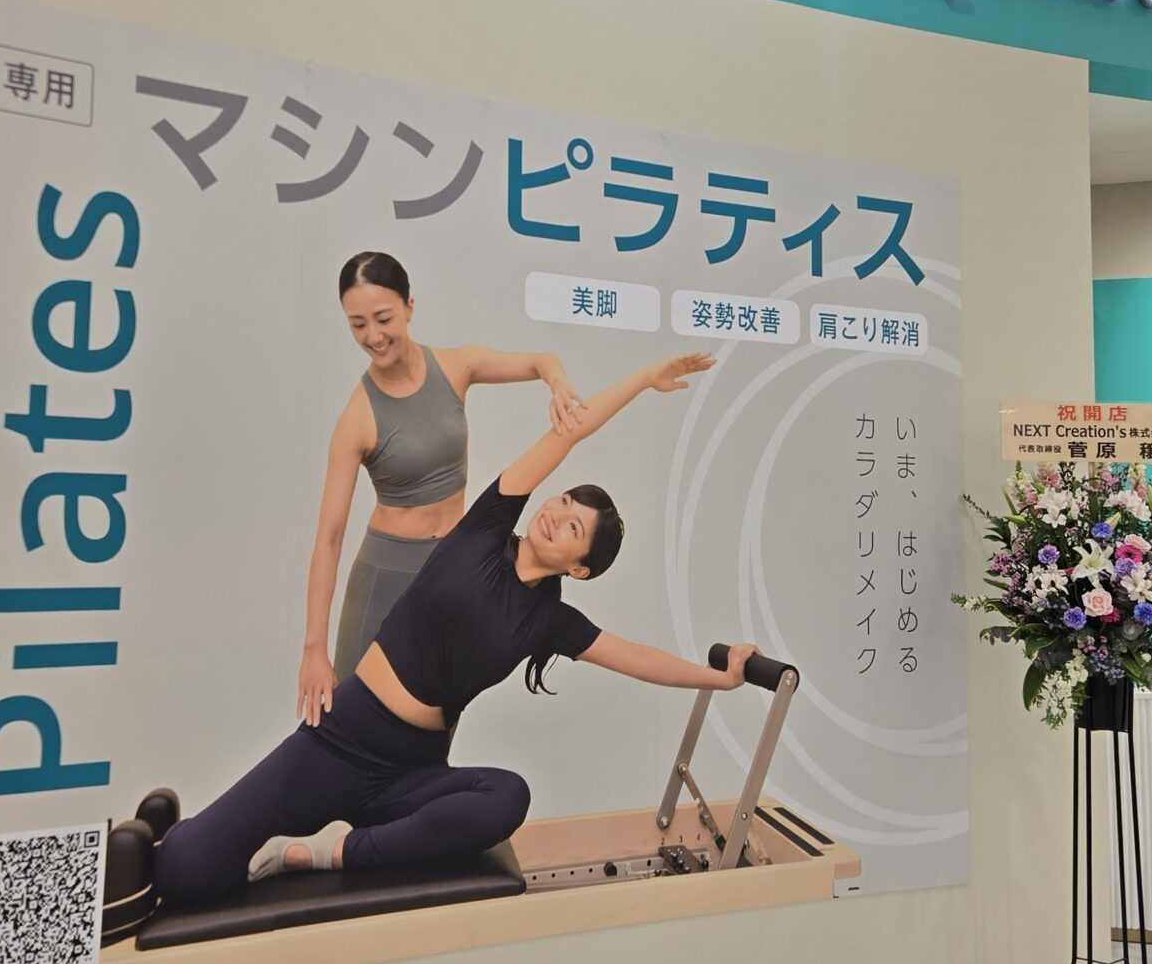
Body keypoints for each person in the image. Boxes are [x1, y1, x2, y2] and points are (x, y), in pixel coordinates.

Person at [136, 349, 753, 914]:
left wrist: (720, 678)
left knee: (507, 797)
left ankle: (325, 852)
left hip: (410, 770)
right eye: (564, 502)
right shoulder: (486, 527)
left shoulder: (549, 622)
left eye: (573, 528)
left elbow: (638, 658)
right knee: (184, 869)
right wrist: (642, 379)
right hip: (342, 739)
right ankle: (173, 832)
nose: (556, 514)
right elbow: (571, 430)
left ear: (580, 568)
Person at [302, 251, 589, 725]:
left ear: (409, 306)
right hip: (386, 579)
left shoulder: (457, 367)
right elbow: (329, 540)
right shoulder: (357, 418)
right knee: (353, 724)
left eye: (383, 318)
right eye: (357, 324)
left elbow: (541, 360)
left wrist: (557, 384)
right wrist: (314, 649)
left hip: (454, 571)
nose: (373, 336)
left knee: (435, 720)